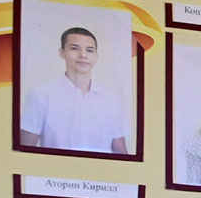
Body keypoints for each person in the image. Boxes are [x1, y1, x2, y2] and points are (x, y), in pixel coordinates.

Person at [19, 25, 129, 154]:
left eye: (89, 50)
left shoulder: (112, 100)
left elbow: (121, 153)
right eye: (74, 48)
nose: (83, 55)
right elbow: (24, 151)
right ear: (62, 52)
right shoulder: (40, 96)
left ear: (96, 56)